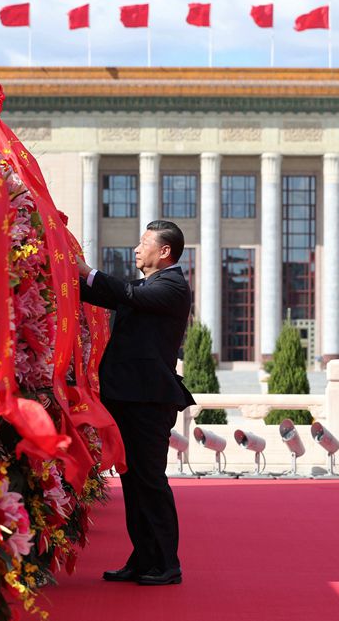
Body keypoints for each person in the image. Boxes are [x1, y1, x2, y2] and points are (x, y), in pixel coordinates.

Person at [77, 219, 195, 586]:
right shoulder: (147, 287)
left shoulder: (172, 286)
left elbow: (126, 293)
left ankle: (166, 564)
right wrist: (66, 274)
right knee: (133, 481)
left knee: (149, 480)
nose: (136, 249)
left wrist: (88, 271)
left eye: (144, 243)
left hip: (149, 401)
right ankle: (144, 557)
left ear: (165, 251)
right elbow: (109, 294)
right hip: (129, 396)